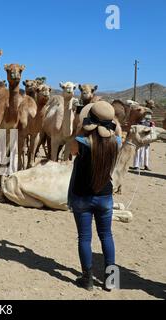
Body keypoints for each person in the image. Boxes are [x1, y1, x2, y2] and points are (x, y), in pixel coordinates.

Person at [68, 101, 122, 291]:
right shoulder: (116, 142)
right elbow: (117, 135)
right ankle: (112, 281)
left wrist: (82, 128)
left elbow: (70, 150)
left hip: (82, 197)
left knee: (84, 238)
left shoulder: (81, 142)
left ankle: (87, 279)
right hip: (105, 197)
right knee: (107, 236)